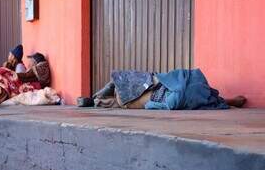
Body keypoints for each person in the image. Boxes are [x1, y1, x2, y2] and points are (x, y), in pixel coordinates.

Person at [81, 69, 247, 110]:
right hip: (160, 91)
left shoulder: (119, 96)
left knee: (116, 85)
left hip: (158, 91)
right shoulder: (119, 98)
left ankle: (93, 98)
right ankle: (93, 98)